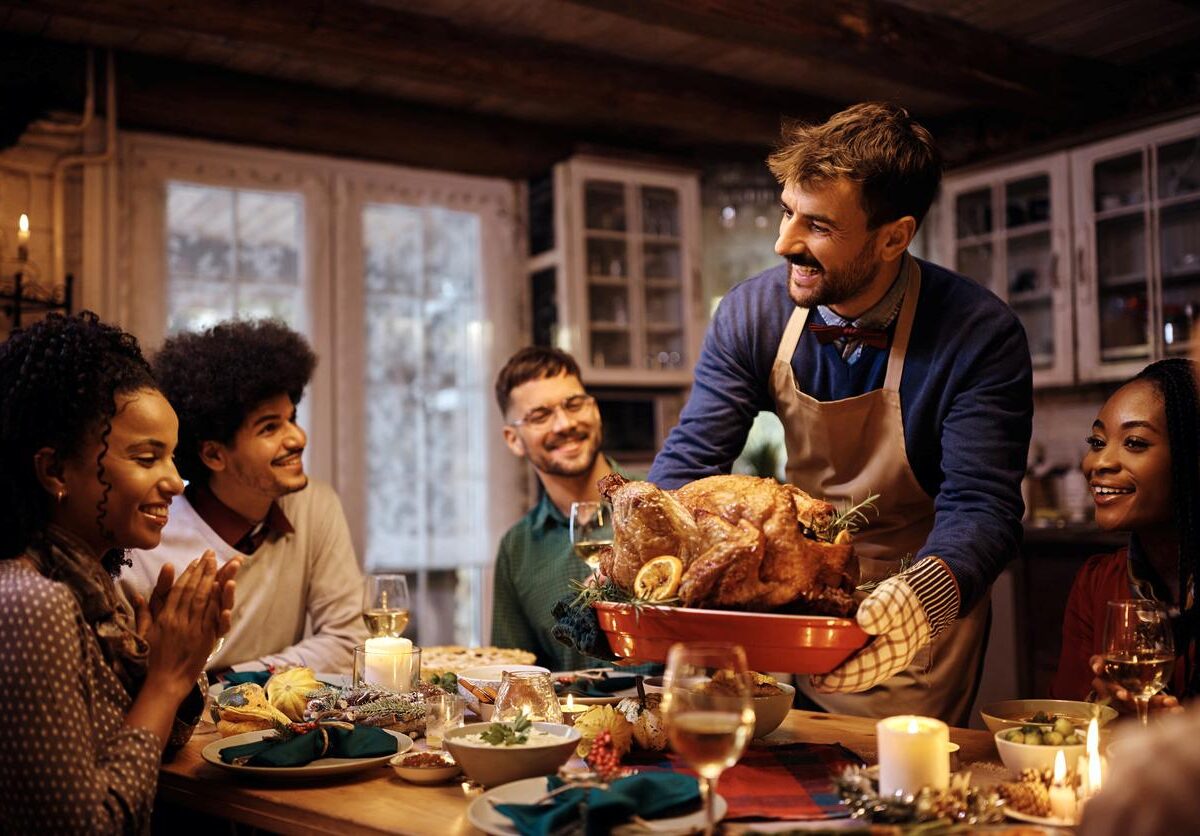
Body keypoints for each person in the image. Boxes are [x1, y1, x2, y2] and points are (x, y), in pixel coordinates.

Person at [647, 102, 1033, 724]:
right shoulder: (753, 313)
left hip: (907, 612)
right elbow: (693, 456)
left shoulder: (979, 334)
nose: (783, 243)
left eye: (818, 226)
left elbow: (984, 505)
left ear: (894, 238)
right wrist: (644, 556)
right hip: (792, 594)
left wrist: (925, 598)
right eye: (786, 212)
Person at [0, 312, 237, 831]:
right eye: (147, 457)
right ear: (56, 470)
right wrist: (164, 682)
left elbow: (152, 753)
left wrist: (165, 667)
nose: (175, 482)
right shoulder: (33, 602)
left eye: (172, 456)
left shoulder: (91, 590)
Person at [125, 319, 367, 673]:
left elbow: (348, 641)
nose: (298, 438)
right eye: (270, 427)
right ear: (213, 455)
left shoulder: (315, 505)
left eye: (292, 418)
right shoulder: (147, 543)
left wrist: (234, 681)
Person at [1052, 358, 1198, 713]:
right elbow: (1060, 723)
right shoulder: (1097, 583)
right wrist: (1099, 704)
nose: (1097, 462)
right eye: (1097, 441)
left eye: (1134, 442)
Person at [491, 346, 626, 670]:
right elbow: (513, 676)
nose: (564, 424)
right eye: (540, 416)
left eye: (574, 404)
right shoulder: (517, 548)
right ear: (513, 439)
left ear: (594, 410)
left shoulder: (661, 503)